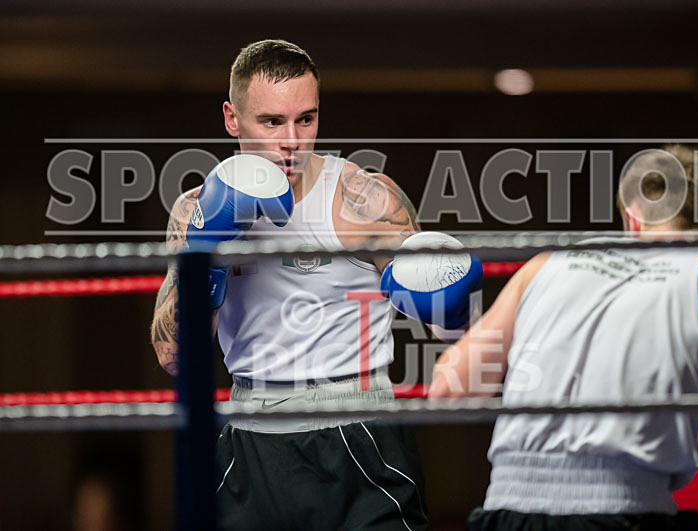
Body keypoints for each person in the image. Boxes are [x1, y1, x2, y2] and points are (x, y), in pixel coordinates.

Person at [150, 39, 481, 530]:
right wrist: (208, 259)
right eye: (271, 122)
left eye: (306, 119)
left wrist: (451, 307)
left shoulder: (364, 200)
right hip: (251, 434)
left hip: (358, 430)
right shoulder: (194, 211)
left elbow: (456, 332)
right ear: (231, 118)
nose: (292, 140)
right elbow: (174, 356)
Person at [429, 145, 698, 530]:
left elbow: (450, 391)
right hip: (630, 511)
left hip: (507, 510)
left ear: (632, 218)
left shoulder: (545, 265)